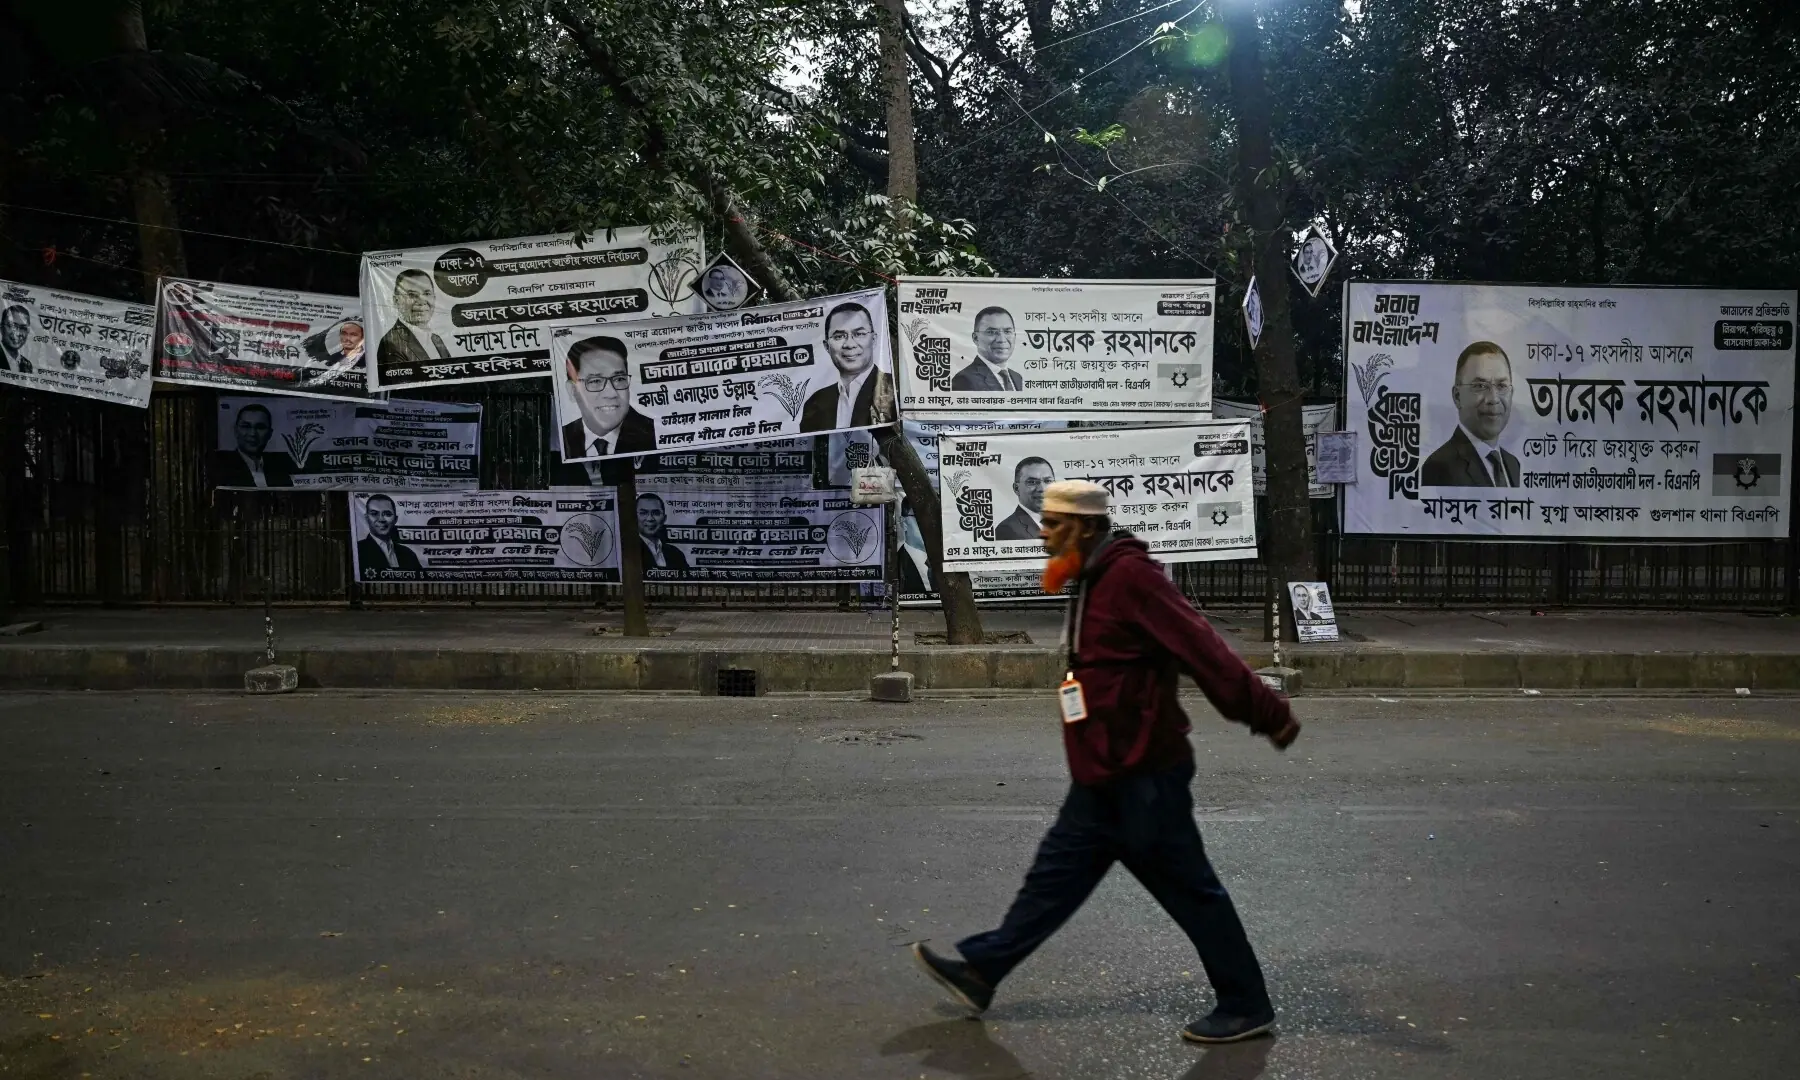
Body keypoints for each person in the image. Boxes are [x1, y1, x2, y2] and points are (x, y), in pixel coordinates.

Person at [912, 479, 1301, 1045]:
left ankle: (1246, 1003)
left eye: (1052, 524)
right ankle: (981, 972)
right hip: (1102, 774)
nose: (1042, 533)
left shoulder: (1131, 579)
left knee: (1192, 891)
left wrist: (1268, 713)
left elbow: (1204, 650)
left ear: (1087, 527)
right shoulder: (1089, 579)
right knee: (1052, 880)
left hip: (1144, 774)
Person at [1422, 341, 1520, 487]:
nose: (1493, 399)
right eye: (1480, 386)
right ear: (1457, 396)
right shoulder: (1439, 467)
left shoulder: (1512, 465)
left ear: (1511, 393)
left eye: (1501, 386)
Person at [800, 301, 895, 432]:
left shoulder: (894, 390)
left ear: (873, 340)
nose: (850, 344)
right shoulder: (815, 403)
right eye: (839, 336)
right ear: (827, 346)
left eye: (859, 334)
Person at [562, 335, 656, 460]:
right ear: (573, 390)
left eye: (619, 379)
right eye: (595, 381)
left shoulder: (655, 433)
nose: (611, 393)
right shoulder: (561, 438)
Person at [377, 269, 451, 379]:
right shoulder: (391, 344)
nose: (421, 301)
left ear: (434, 298)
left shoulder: (436, 339)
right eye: (411, 295)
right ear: (396, 301)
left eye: (427, 293)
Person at [213, 403, 294, 488]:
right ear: (236, 430)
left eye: (260, 427)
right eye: (246, 426)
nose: (253, 434)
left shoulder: (280, 468)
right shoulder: (221, 467)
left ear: (270, 433)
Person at [951, 307, 1023, 392]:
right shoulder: (964, 380)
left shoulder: (1017, 378)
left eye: (1007, 332)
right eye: (991, 332)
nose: (1001, 339)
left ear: (1015, 336)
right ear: (976, 338)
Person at [356, 493, 422, 572]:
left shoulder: (408, 554)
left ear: (395, 519)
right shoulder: (358, 551)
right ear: (366, 518)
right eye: (374, 514)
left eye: (387, 514)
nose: (381, 519)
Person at [995, 457, 1054, 540]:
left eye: (1048, 481)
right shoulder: (1007, 529)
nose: (1042, 488)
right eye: (1032, 482)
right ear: (1016, 488)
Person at [636, 493, 688, 572]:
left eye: (656, 513)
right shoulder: (630, 550)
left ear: (664, 518)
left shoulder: (675, 554)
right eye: (643, 513)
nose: (650, 518)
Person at [1, 304, 32, 373]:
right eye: (12, 326)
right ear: (1, 328)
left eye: (23, 328)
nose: (17, 333)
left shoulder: (27, 365)